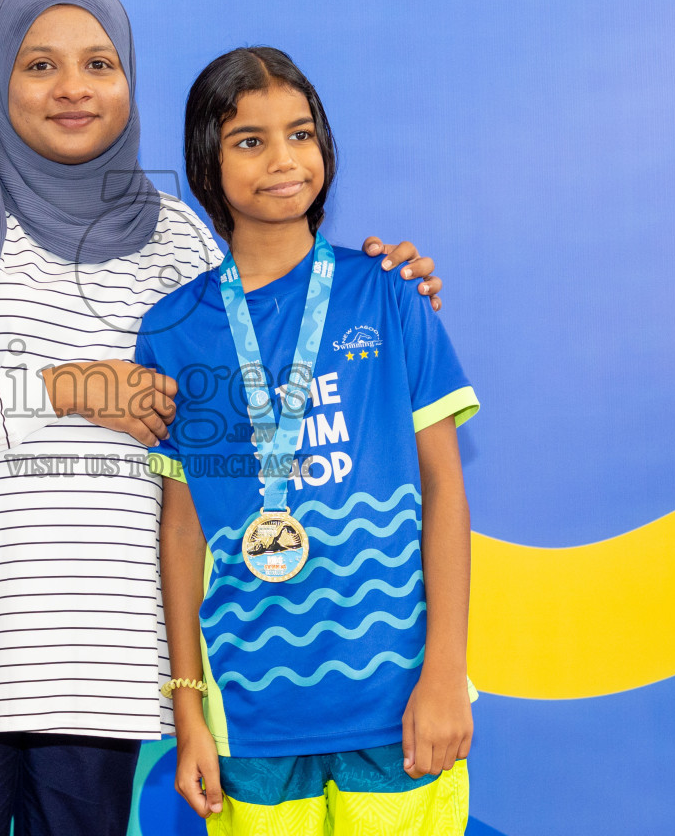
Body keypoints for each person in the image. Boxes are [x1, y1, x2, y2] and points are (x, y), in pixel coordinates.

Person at [0, 0, 447, 836]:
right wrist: (61, 386)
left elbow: (257, 391)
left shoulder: (176, 238)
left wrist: (388, 290)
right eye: (40, 65)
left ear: (129, 78)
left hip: (101, 669)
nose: (74, 88)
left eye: (99, 63)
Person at [139, 46, 479, 834]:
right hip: (252, 720)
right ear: (206, 163)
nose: (283, 160)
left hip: (398, 707)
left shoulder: (389, 294)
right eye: (249, 141)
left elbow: (445, 493)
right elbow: (182, 530)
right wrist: (189, 709)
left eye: (300, 134)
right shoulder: (175, 331)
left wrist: (445, 672)